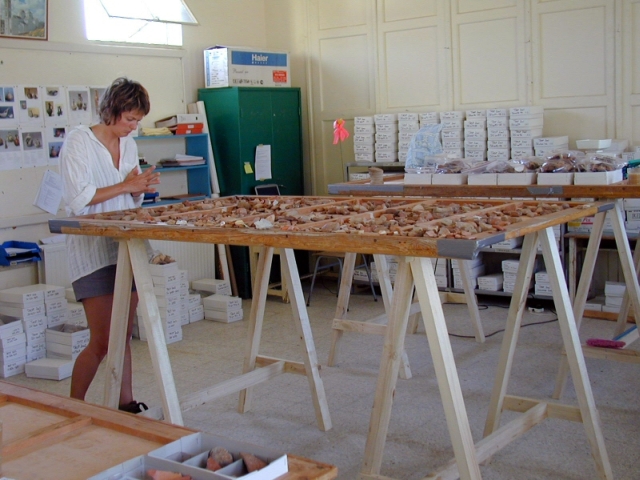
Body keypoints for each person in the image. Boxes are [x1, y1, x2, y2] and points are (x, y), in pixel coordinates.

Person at [60, 77, 160, 413]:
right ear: (111, 111)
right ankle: (74, 406)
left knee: (122, 334)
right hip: (91, 251)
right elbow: (79, 200)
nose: (133, 127)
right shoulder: (79, 142)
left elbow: (131, 195)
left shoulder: (128, 144)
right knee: (102, 341)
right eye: (129, 119)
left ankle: (126, 403)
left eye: (138, 121)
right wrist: (126, 185)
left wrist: (139, 188)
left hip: (124, 246)